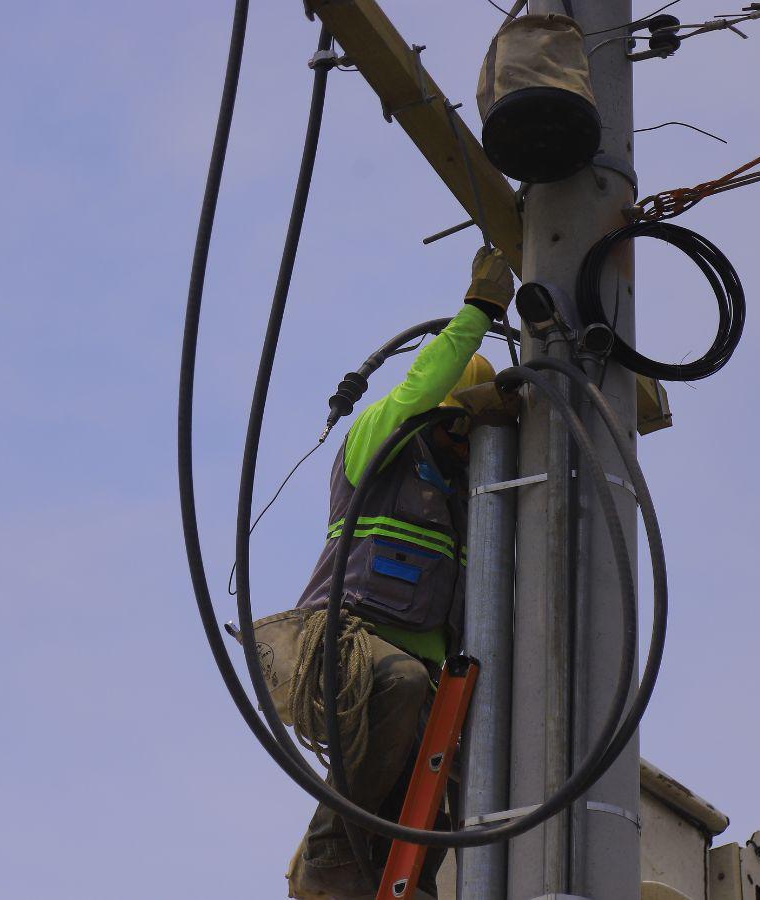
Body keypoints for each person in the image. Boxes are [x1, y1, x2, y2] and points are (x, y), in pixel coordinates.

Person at [264, 247, 514, 899]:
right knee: (401, 684)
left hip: (420, 663)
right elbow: (416, 391)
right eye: (461, 428)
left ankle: (413, 881)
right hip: (343, 644)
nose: (468, 447)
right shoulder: (378, 443)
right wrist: (479, 314)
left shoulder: (472, 499)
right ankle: (330, 853)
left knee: (457, 750)